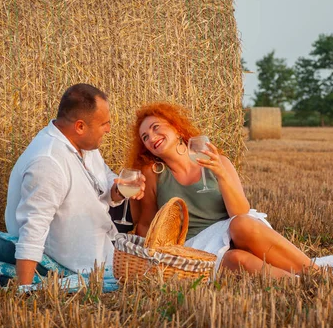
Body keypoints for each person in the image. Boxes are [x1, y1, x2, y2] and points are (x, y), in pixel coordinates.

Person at [127, 102, 321, 278]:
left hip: (235, 230)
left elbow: (239, 212)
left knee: (242, 224)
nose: (152, 137)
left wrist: (221, 175)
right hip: (196, 246)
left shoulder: (217, 161)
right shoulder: (153, 174)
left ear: (176, 128)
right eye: (145, 137)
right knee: (236, 259)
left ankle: (316, 273)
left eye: (156, 128)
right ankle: (298, 283)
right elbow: (145, 224)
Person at [5, 84, 145, 285]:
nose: (109, 129)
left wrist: (120, 190)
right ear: (80, 126)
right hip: (75, 266)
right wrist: (24, 289)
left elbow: (104, 179)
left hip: (104, 253)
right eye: (104, 123)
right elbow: (33, 227)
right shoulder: (48, 162)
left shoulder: (85, 145)